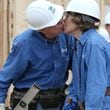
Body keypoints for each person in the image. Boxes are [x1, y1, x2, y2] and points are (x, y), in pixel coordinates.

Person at [0, 0, 72, 110]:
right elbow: (4, 79)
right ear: (43, 29)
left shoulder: (65, 36)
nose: (63, 24)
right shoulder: (24, 44)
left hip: (57, 102)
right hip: (28, 102)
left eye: (61, 19)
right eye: (58, 23)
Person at [63, 0, 110, 110]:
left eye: (67, 15)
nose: (63, 20)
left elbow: (96, 87)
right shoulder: (79, 43)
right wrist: (72, 99)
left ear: (79, 19)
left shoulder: (93, 44)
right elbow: (77, 81)